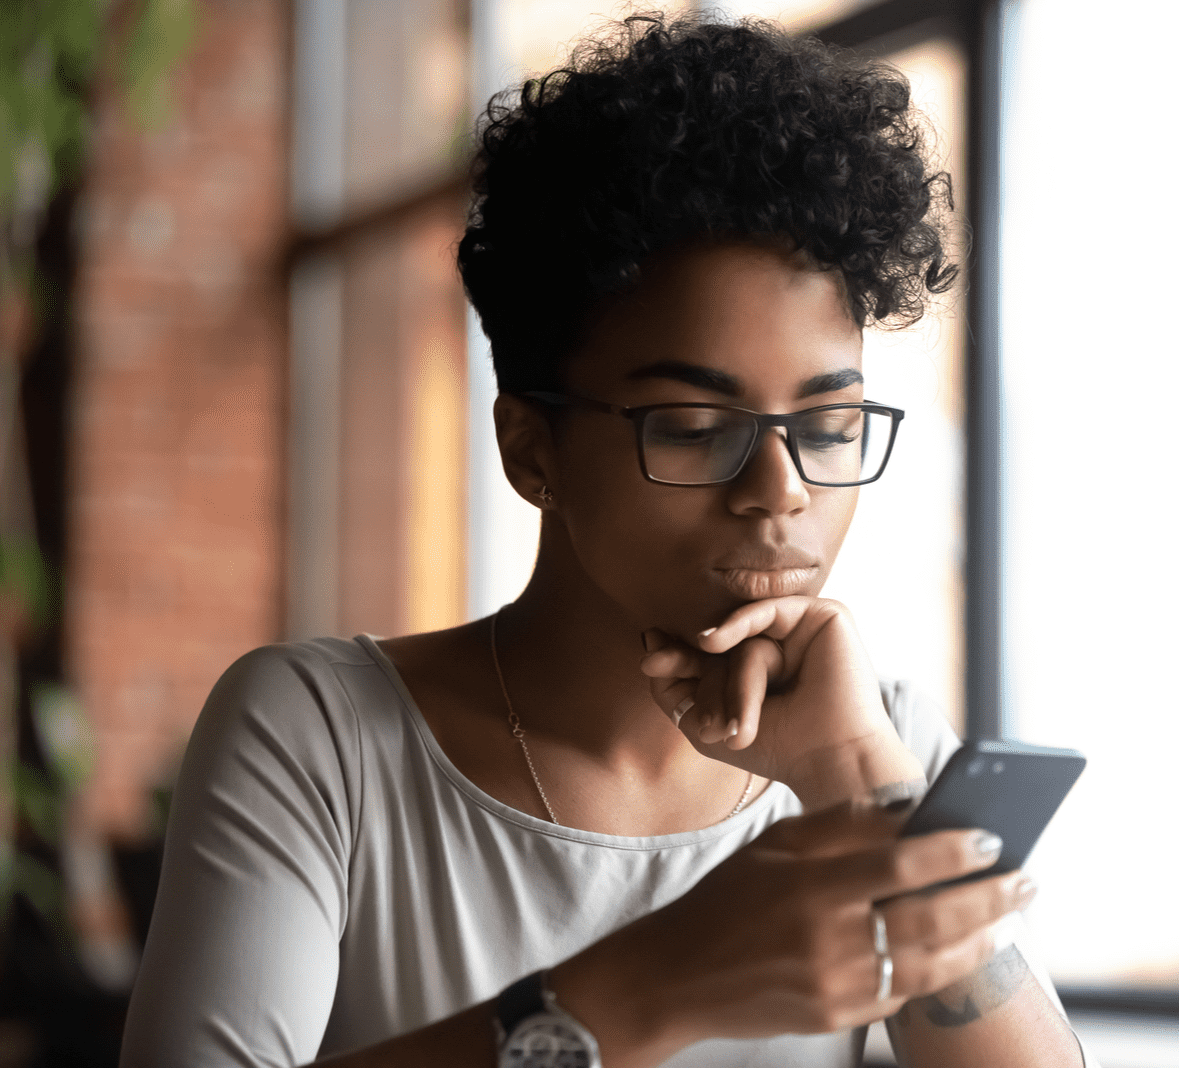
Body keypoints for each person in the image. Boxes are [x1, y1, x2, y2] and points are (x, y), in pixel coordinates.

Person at [120, 14, 1093, 1068]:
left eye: (825, 427)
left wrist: (857, 774)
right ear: (532, 449)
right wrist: (655, 984)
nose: (780, 493)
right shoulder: (323, 740)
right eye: (693, 427)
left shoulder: (875, 735)